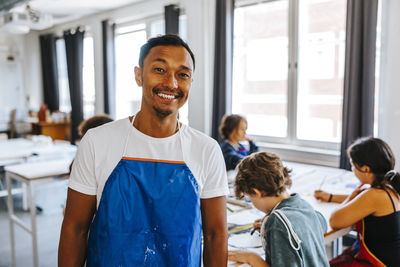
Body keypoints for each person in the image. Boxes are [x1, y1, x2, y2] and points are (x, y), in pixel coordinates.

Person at [58, 35, 229, 267]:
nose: (172, 83)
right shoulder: (98, 141)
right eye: (159, 69)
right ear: (139, 75)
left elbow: (215, 235)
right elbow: (75, 228)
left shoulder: (206, 150)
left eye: (183, 74)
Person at [228, 152, 329, 267]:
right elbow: (322, 224)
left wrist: (251, 257)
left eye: (249, 197)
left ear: (256, 192)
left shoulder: (277, 222)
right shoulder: (302, 204)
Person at [314, 137, 400, 267]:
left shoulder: (374, 195)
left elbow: (335, 221)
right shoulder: (388, 186)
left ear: (365, 169)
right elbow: (359, 201)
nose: (352, 169)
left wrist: (349, 199)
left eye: (353, 165)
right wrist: (331, 197)